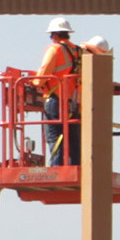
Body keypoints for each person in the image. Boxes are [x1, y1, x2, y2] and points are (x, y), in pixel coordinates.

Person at [36, 18, 80, 165]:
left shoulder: (55, 49)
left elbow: (43, 73)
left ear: (54, 35)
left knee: (55, 138)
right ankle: (75, 168)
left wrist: (36, 82)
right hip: (72, 102)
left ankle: (56, 170)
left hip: (55, 100)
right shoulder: (77, 51)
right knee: (72, 139)